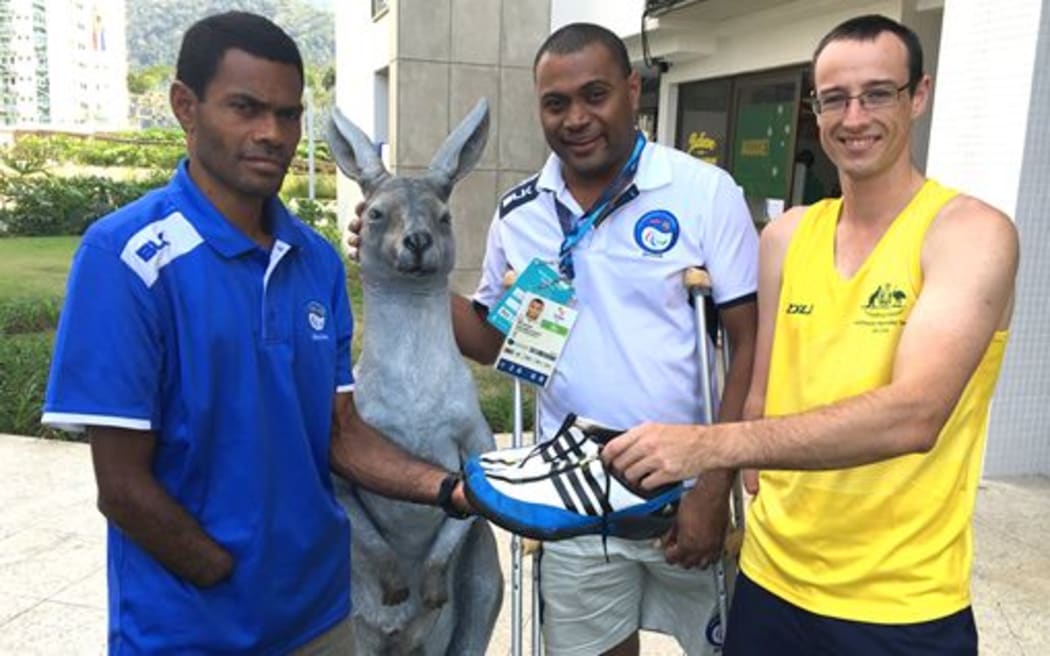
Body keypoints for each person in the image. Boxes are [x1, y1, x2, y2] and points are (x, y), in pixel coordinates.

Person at [42, 12, 469, 654]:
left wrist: (454, 491)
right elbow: (123, 486)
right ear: (185, 106)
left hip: (324, 615)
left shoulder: (317, 261)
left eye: (288, 114)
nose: (271, 133)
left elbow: (340, 433)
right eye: (245, 108)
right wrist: (218, 571)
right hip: (189, 630)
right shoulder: (125, 257)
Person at [603, 14, 1019, 655]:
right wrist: (728, 490)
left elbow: (915, 415)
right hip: (770, 585)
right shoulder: (787, 236)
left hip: (900, 604)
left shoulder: (968, 233)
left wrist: (707, 448)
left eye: (878, 93)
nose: (854, 117)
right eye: (834, 99)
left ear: (920, 95)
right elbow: (762, 393)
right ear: (814, 109)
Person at [352, 22, 759, 656]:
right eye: (555, 103)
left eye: (595, 95)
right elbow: (493, 340)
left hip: (683, 495)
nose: (576, 118)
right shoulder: (521, 213)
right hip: (572, 495)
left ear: (631, 89)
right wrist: (400, 264)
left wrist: (714, 488)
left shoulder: (703, 192)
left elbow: (745, 344)